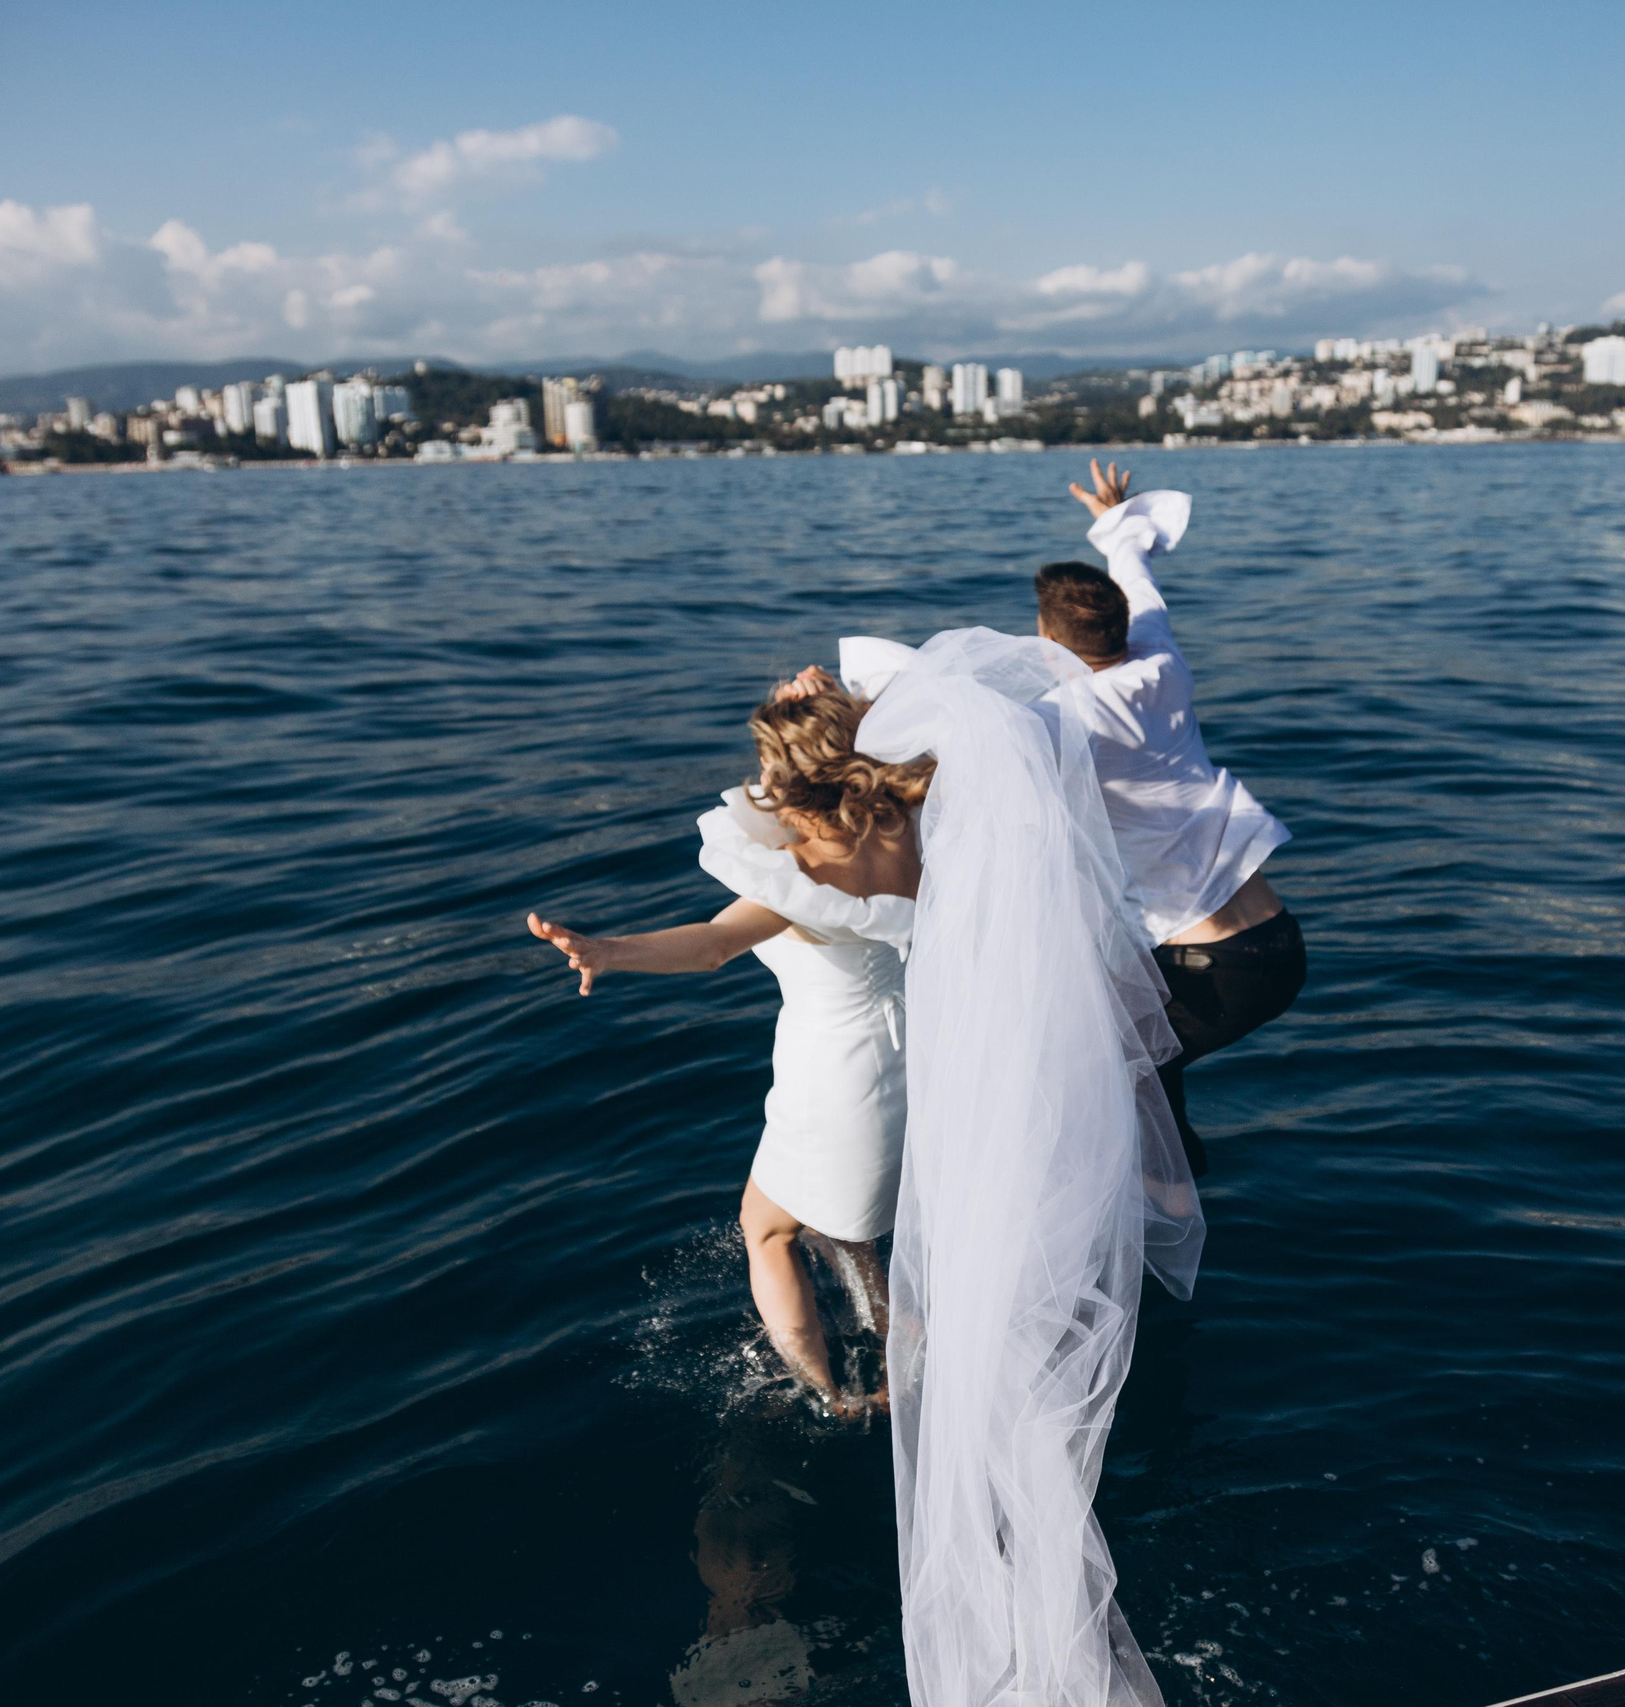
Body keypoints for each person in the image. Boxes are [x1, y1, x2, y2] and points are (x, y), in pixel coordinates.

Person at [845, 627, 1202, 1704]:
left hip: (1011, 1190)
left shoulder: (971, 908)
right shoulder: (1022, 877)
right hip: (1057, 1173)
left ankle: (1054, 1667)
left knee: (1007, 1428)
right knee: (1031, 1439)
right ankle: (1067, 1655)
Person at [527, 677, 925, 1412]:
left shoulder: (804, 877)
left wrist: (606, 950)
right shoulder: (904, 819)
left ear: (791, 780)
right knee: (849, 1226)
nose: (760, 777)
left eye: (769, 764)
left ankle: (831, 1394)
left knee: (766, 1228)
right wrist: (830, 697)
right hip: (906, 1067)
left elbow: (712, 945)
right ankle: (899, 1341)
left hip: (832, 1083)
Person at [1037, 459, 1307, 1175]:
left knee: (1111, 1067)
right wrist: (1115, 520)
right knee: (1132, 1053)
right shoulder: (1161, 658)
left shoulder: (1068, 716)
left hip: (1220, 966)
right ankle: (1173, 1199)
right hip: (1277, 939)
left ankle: (1170, 1211)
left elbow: (971, 738)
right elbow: (1136, 576)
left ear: (1048, 644)